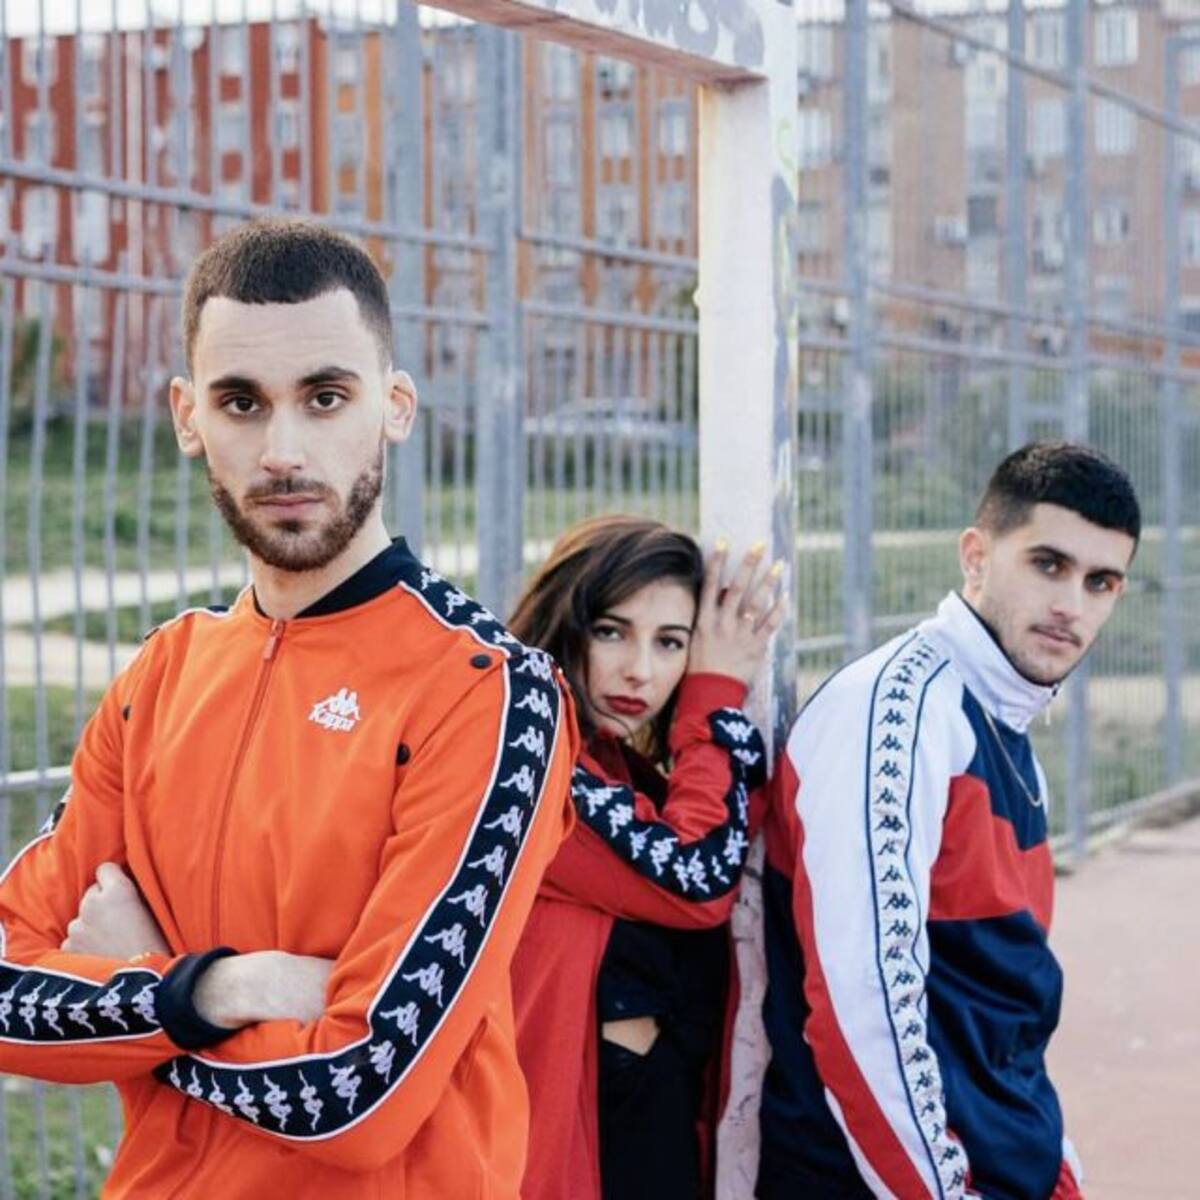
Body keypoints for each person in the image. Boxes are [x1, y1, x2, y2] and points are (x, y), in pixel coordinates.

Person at [0, 219, 577, 1198]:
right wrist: (218, 986)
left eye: (325, 397)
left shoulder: (489, 693)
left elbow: (362, 1092)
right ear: (187, 416)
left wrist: (146, 988)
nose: (282, 451)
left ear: (394, 406)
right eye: (241, 402)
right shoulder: (162, 677)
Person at [758, 441, 1141, 1200]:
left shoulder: (1005, 728)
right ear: (976, 556)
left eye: (1100, 582)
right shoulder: (895, 713)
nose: (1072, 605)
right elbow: (865, 1009)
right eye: (1048, 564)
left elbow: (1004, 1015)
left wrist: (1056, 1162)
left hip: (1009, 1165)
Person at [506, 515, 783, 1200]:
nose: (640, 670)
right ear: (565, 623)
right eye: (612, 632)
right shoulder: (530, 769)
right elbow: (696, 877)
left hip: (648, 1130)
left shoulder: (622, 773)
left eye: (670, 643)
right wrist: (712, 697)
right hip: (570, 1151)